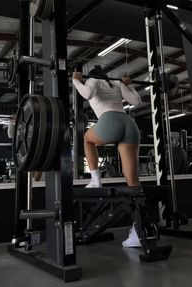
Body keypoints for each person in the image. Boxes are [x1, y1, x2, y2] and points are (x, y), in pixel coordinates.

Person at [72, 65, 142, 247]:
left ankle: (95, 179)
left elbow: (86, 94)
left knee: (87, 139)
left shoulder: (92, 81)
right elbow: (137, 101)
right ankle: (138, 233)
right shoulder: (116, 84)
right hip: (129, 124)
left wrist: (75, 80)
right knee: (133, 183)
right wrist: (129, 86)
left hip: (110, 121)